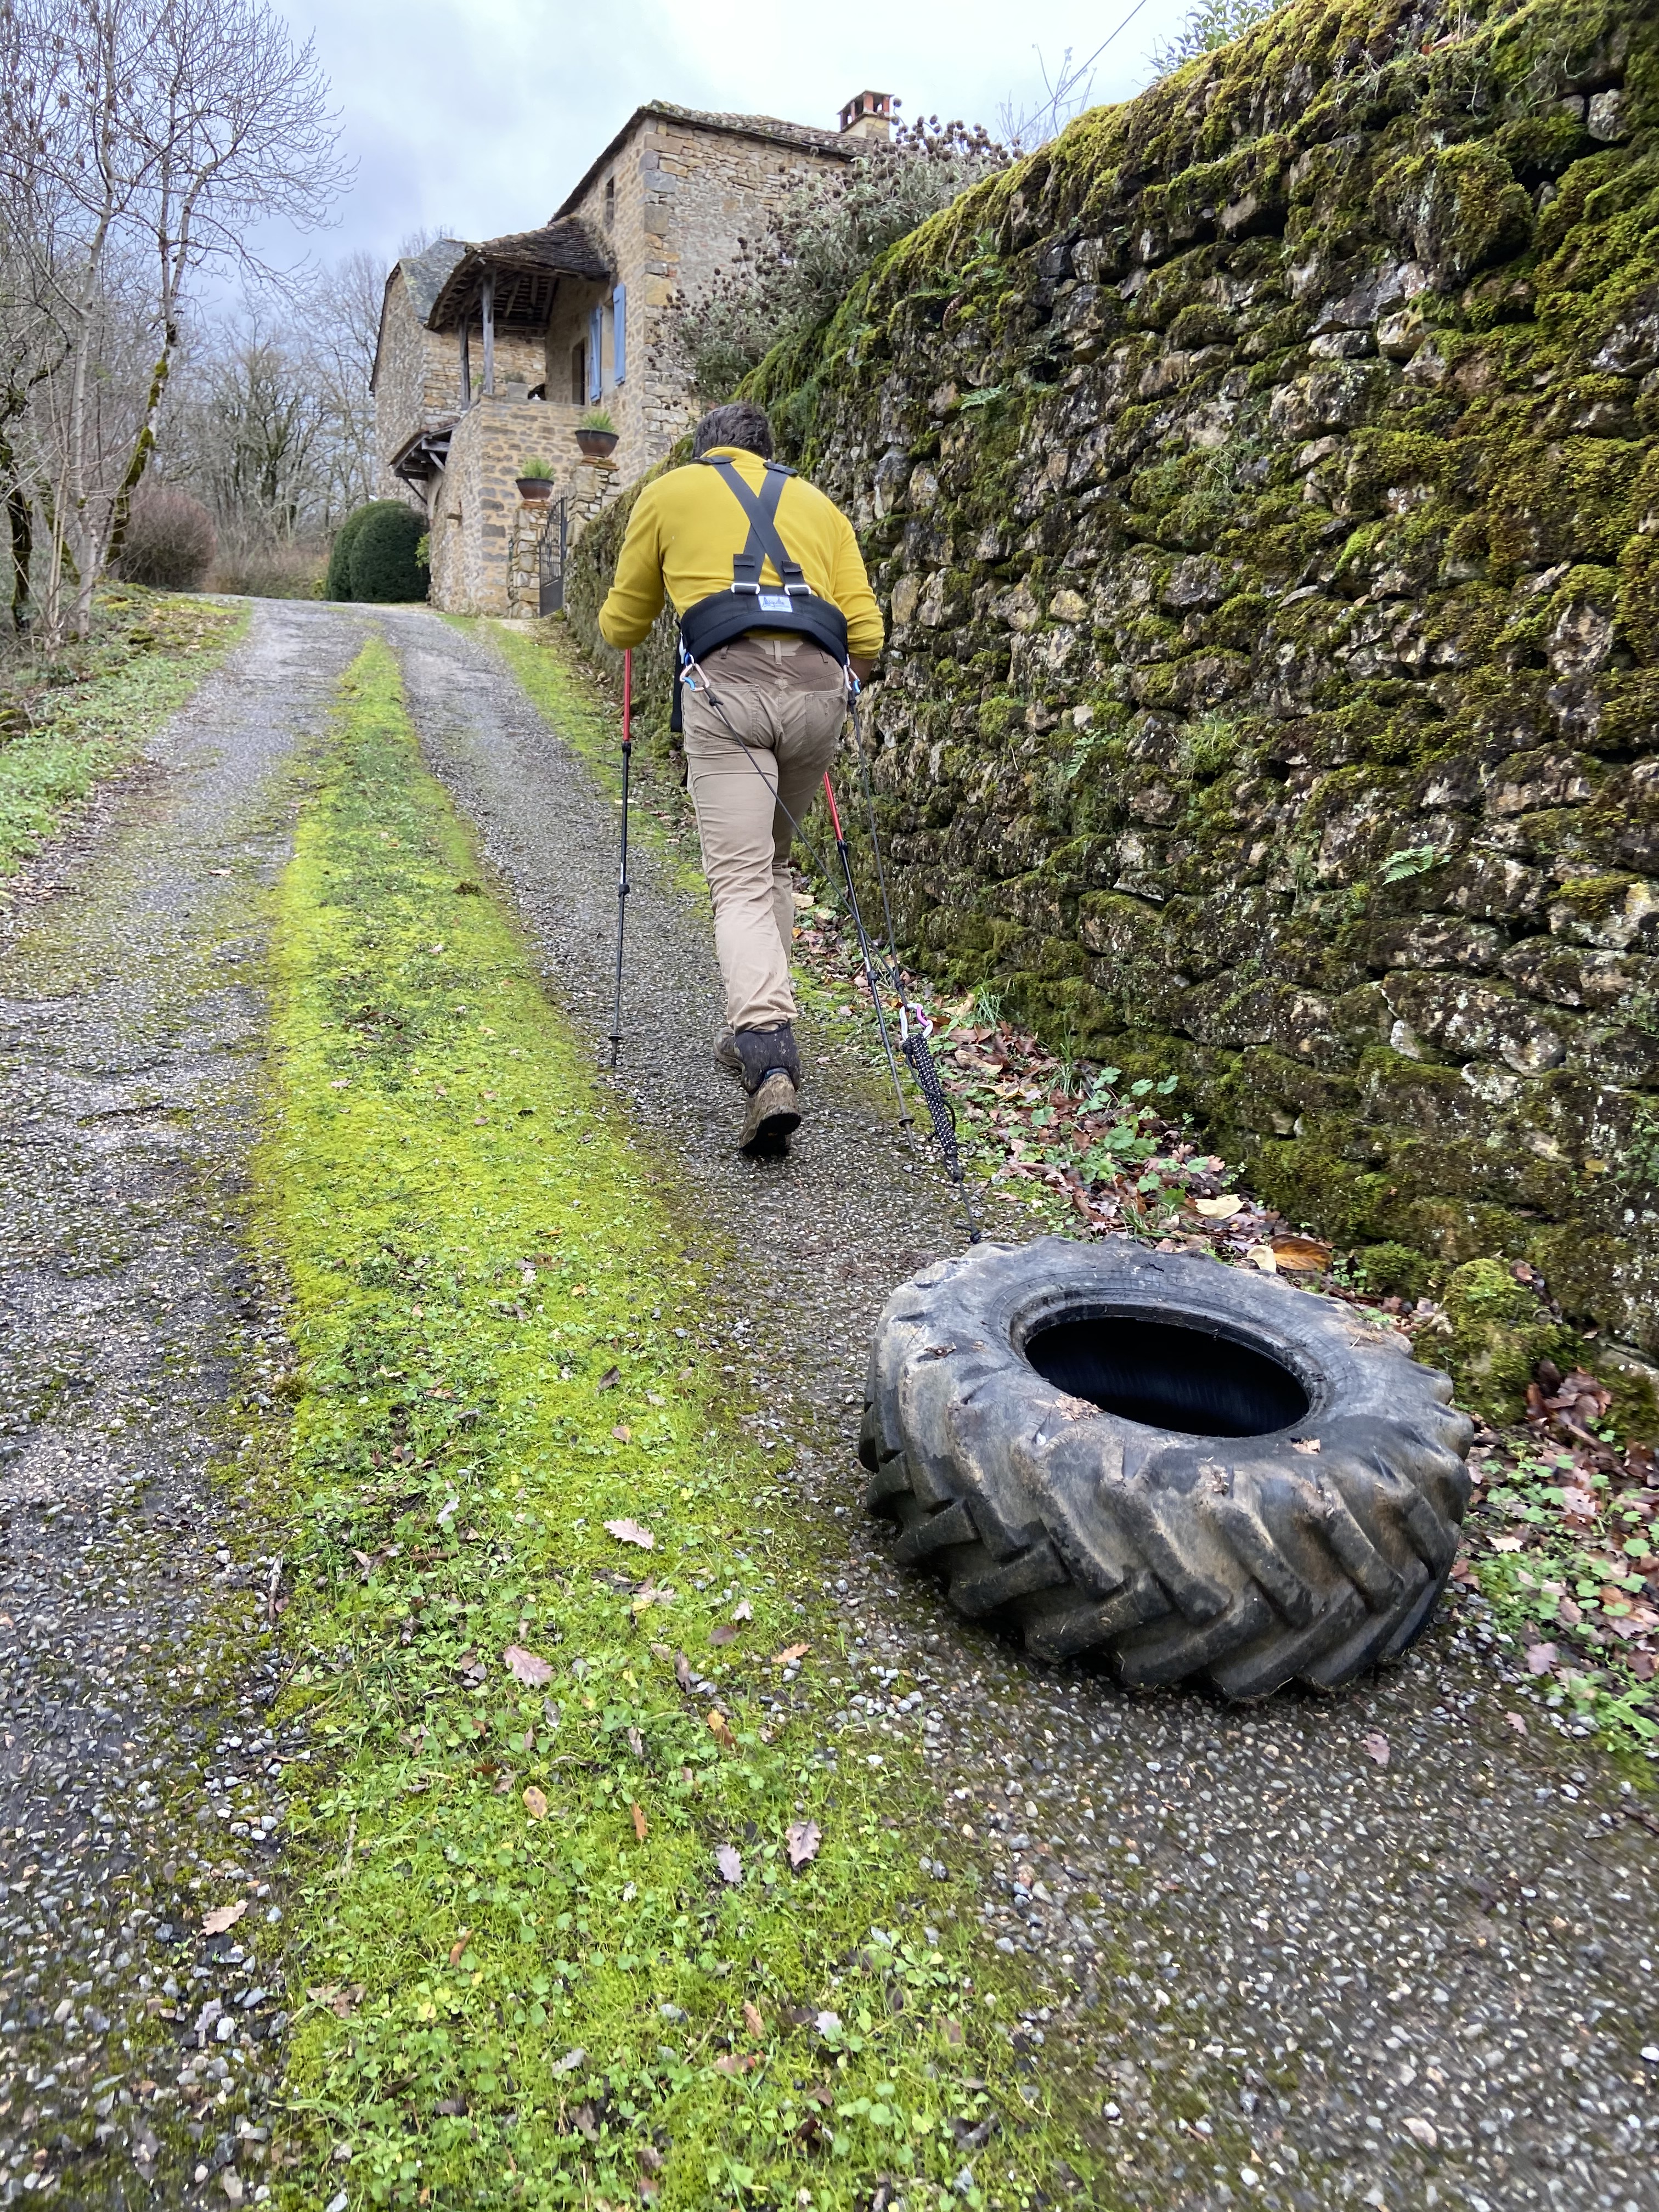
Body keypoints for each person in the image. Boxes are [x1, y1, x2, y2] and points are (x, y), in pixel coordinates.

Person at [597, 400, 883, 1159]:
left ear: (706, 452)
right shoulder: (820, 504)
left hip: (727, 693)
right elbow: (868, 634)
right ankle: (761, 1030)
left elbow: (623, 626)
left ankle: (766, 1052)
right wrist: (837, 691)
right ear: (766, 451)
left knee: (740, 880)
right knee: (774, 865)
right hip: (820, 697)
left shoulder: (669, 494)